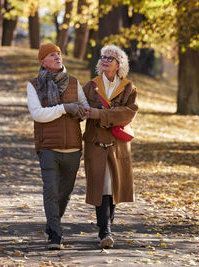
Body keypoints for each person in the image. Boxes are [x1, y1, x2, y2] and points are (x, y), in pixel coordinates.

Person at [27, 43, 89, 250]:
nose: (57, 57)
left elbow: (85, 107)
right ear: (42, 62)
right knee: (51, 190)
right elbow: (38, 114)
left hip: (73, 146)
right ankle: (55, 235)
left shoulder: (73, 83)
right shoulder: (34, 85)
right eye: (52, 55)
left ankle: (51, 223)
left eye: (59, 54)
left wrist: (79, 110)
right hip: (48, 147)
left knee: (65, 192)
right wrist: (64, 108)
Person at [82, 45, 138, 248]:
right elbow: (83, 110)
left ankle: (106, 227)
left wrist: (99, 114)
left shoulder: (129, 88)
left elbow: (127, 114)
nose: (105, 60)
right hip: (95, 143)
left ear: (119, 64)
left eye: (110, 58)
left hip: (118, 145)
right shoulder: (90, 86)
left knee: (113, 186)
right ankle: (105, 229)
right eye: (103, 57)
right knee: (100, 186)